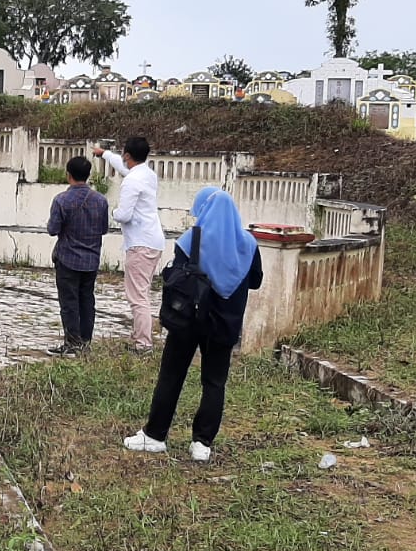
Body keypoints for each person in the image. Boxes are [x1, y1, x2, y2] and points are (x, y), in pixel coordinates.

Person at [124, 188, 264, 462]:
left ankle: (155, 435)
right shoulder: (248, 244)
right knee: (214, 382)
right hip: (225, 323)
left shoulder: (191, 241)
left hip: (189, 321)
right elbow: (256, 281)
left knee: (171, 375)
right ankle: (202, 444)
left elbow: (179, 279)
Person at [94, 137, 164, 353]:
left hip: (139, 244)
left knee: (137, 296)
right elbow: (124, 169)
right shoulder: (147, 174)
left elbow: (124, 215)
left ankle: (143, 343)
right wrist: (104, 154)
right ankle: (139, 336)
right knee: (141, 292)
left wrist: (111, 212)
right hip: (153, 240)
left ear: (127, 155)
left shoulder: (132, 182)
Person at [45, 155, 109, 356]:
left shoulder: (62, 200)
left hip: (68, 259)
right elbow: (104, 229)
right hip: (91, 259)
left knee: (69, 303)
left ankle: (71, 343)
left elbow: (53, 229)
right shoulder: (101, 201)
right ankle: (85, 342)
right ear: (88, 175)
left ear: (68, 175)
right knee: (87, 301)